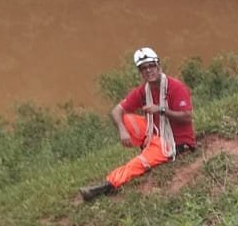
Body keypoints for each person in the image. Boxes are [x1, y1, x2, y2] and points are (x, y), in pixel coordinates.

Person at [81, 46, 196, 203]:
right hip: (155, 134)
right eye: (143, 68)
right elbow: (116, 111)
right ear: (140, 72)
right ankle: (147, 146)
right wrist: (123, 131)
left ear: (158, 66)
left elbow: (187, 117)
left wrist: (161, 110)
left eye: (151, 66)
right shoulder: (144, 90)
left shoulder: (175, 87)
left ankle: (107, 185)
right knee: (125, 118)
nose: (148, 71)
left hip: (174, 141)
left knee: (137, 164)